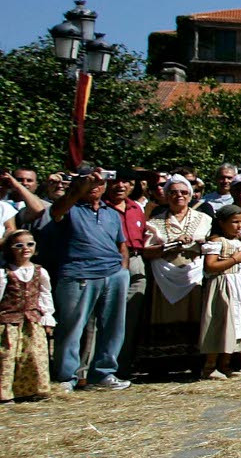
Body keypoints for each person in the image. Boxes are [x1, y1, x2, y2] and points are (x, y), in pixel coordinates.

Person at [33, 166, 133, 392]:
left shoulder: (110, 212)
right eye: (90, 182)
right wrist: (78, 190)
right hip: (79, 273)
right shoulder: (70, 208)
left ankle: (104, 373)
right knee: (72, 328)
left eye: (99, 183)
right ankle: (67, 376)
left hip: (113, 274)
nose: (95, 187)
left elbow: (121, 244)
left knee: (113, 328)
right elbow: (56, 211)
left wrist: (122, 269)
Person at [137, 176, 211, 376]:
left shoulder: (204, 219)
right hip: (164, 275)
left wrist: (198, 243)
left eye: (184, 192)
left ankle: (194, 361)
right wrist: (169, 245)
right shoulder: (155, 222)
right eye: (173, 192)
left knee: (193, 314)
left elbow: (214, 245)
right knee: (165, 315)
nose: (179, 196)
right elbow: (146, 250)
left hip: (192, 274)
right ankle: (163, 363)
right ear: (166, 195)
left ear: (190, 195)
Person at [199, 204, 241, 379]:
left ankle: (226, 364)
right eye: (234, 222)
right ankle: (210, 366)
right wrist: (233, 260)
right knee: (221, 324)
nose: (239, 226)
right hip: (223, 286)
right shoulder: (217, 242)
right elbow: (210, 266)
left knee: (238, 326)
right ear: (222, 222)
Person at [1, 228, 55, 401]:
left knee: (34, 355)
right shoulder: (4, 273)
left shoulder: (40, 272)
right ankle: (5, 393)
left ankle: (34, 390)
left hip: (32, 320)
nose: (25, 248)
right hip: (9, 321)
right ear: (10, 249)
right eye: (19, 245)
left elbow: (45, 294)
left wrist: (47, 316)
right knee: (8, 356)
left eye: (30, 244)